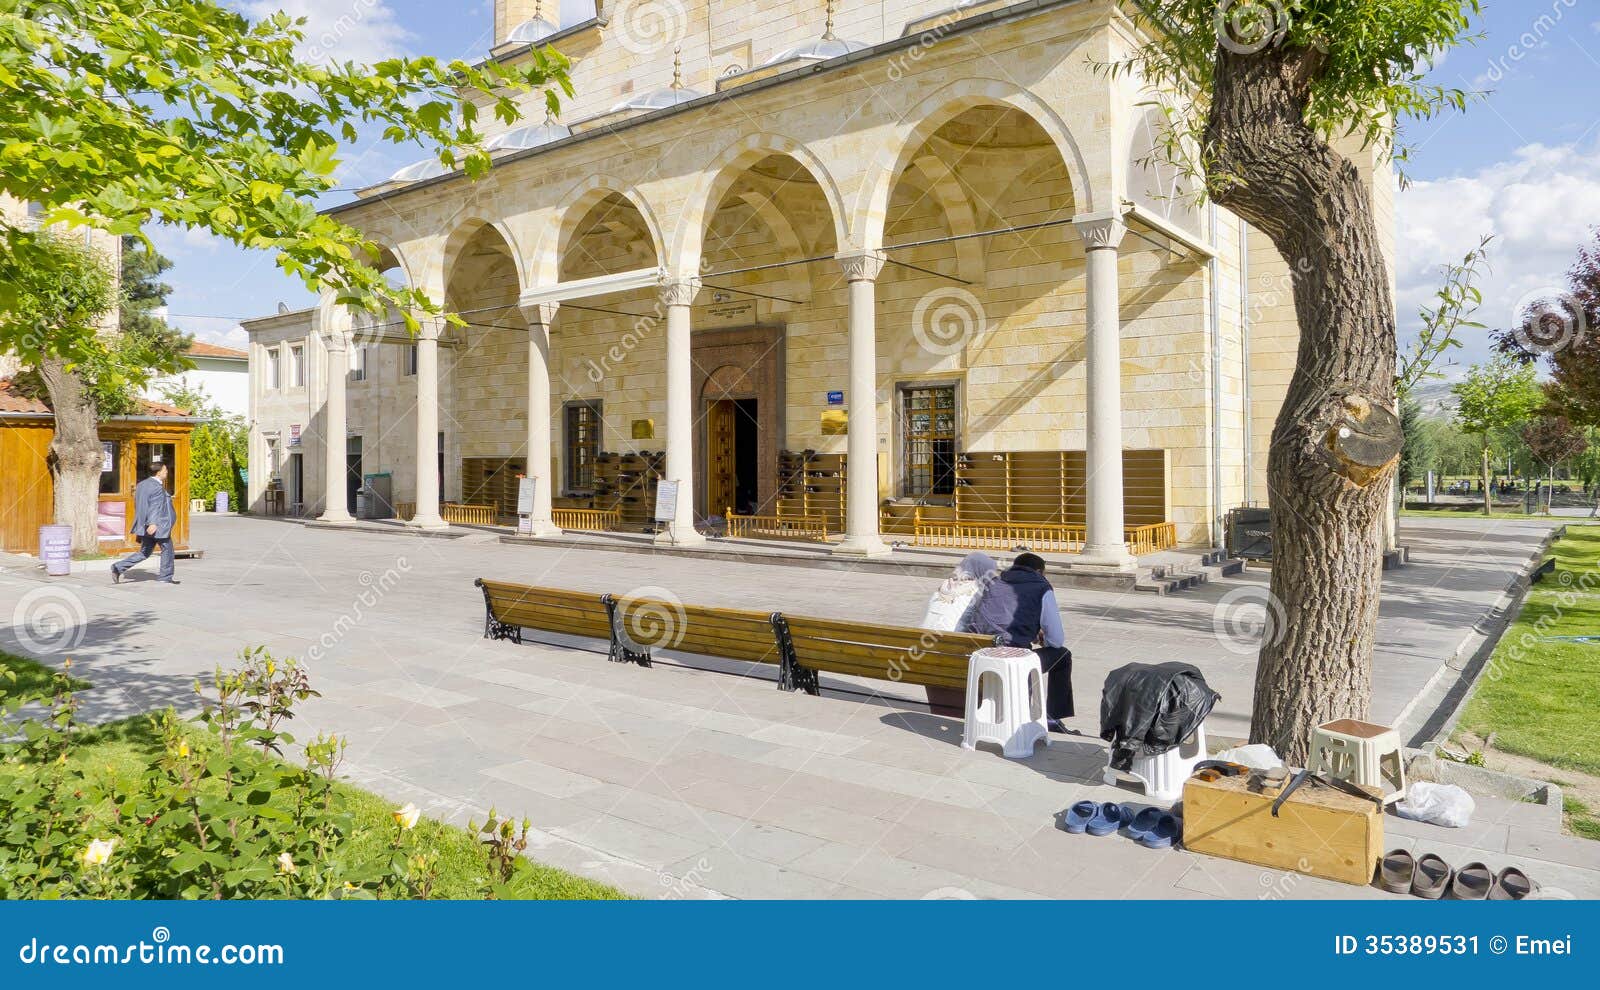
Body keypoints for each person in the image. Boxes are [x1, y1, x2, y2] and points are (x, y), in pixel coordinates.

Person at [962, 552, 1073, 732]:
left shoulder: (992, 582)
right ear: (1039, 571)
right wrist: (1040, 638)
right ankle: (1052, 717)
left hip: (980, 657)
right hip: (1013, 660)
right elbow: (1056, 640)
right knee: (1062, 655)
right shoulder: (1042, 587)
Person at [919, 552, 996, 716]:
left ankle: (942, 706)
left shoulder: (943, 587)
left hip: (924, 656)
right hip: (953, 657)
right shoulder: (978, 591)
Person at [112, 461, 179, 585]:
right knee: (167, 549)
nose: (167, 472)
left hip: (145, 525)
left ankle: (118, 567)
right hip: (157, 526)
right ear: (158, 472)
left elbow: (140, 504)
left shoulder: (142, 485)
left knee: (145, 552)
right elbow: (155, 506)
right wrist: (153, 523)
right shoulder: (157, 487)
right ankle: (166, 576)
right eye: (165, 470)